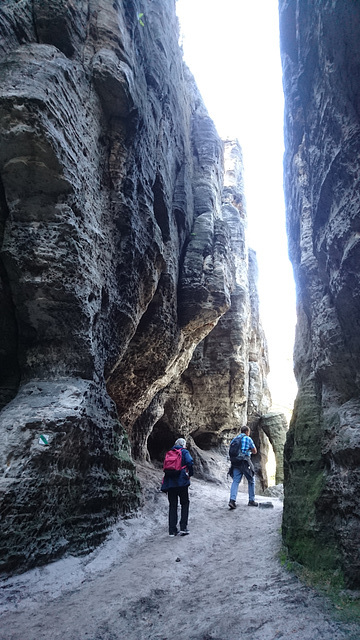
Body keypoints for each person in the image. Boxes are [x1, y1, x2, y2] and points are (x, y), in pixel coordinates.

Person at [161, 437, 194, 536]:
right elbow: (190, 462)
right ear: (183, 444)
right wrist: (190, 474)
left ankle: (172, 530)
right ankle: (183, 527)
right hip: (181, 482)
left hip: (170, 482)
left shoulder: (169, 452)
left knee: (173, 505)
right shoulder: (184, 452)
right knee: (184, 503)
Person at [228, 426, 258, 509]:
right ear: (247, 432)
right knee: (251, 480)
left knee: (236, 481)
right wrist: (249, 450)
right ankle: (251, 500)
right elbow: (255, 451)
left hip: (235, 462)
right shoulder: (248, 439)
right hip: (245, 462)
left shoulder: (234, 439)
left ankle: (232, 501)